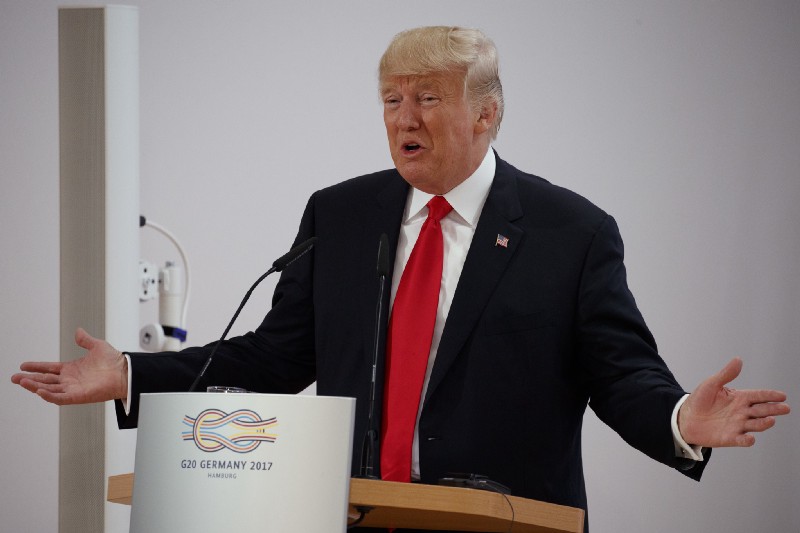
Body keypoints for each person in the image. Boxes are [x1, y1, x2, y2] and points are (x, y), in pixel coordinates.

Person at [12, 26, 789, 531]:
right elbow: (274, 358)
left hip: (508, 525)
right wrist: (129, 376)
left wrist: (684, 418)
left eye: (427, 99)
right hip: (357, 518)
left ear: (486, 114)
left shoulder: (572, 232)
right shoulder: (342, 214)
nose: (403, 118)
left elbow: (623, 377)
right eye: (391, 100)